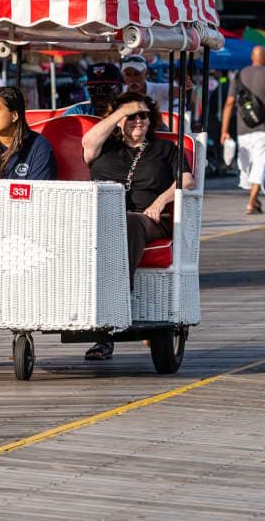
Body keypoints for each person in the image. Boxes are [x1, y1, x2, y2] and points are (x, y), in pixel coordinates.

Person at [82, 92, 193, 361]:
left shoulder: (165, 148)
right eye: (132, 116)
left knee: (129, 223)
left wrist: (160, 200)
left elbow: (186, 180)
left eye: (143, 115)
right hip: (100, 218)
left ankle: (119, 299)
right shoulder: (105, 146)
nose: (139, 120)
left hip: (146, 219)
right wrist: (121, 112)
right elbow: (87, 142)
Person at [220, 45, 265, 215]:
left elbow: (229, 104)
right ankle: (253, 201)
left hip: (243, 128)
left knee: (247, 166)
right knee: (261, 163)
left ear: (252, 58)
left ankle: (254, 200)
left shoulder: (239, 75)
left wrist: (224, 130)